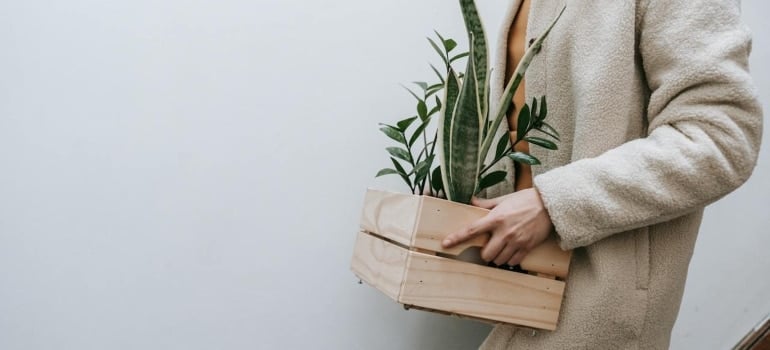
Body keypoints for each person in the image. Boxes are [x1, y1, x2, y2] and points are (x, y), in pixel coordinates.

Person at [441, 0, 763, 348]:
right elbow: (525, 129)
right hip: (518, 301)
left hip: (598, 313)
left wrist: (553, 204)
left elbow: (720, 139)